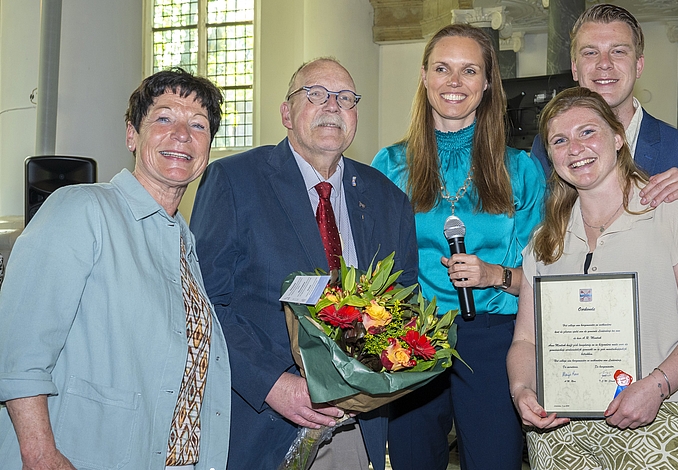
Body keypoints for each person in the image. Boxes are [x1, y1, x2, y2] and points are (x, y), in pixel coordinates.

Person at [189, 57, 418, 470]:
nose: (332, 105)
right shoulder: (234, 181)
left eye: (345, 98)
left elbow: (404, 310)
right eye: (315, 94)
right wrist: (272, 385)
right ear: (286, 113)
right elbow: (206, 305)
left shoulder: (389, 200)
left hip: (354, 426)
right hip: (259, 418)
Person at [0, 68, 231, 469]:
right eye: (164, 117)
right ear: (131, 134)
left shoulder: (184, 242)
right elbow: (18, 350)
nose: (182, 134)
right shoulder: (81, 209)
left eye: (198, 124)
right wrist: (40, 454)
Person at [507, 86, 678, 469]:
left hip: (660, 420)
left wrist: (657, 385)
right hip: (560, 434)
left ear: (618, 138)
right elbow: (526, 340)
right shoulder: (545, 240)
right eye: (559, 140)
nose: (574, 148)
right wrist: (521, 389)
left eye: (587, 132)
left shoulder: (676, 215)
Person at [371, 23, 545, 470]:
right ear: (424, 76)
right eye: (442, 68)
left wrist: (492, 275)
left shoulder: (520, 169)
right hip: (410, 334)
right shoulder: (389, 166)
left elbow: (544, 278)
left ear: (487, 83)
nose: (454, 81)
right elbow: (370, 265)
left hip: (492, 335)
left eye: (469, 70)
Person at [530, 3, 678, 272]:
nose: (604, 64)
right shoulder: (547, 150)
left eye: (618, 51)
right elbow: (536, 238)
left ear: (639, 65)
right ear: (575, 68)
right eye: (591, 52)